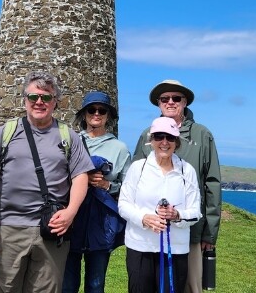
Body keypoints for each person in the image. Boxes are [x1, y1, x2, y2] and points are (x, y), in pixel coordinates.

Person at [0, 70, 94, 293]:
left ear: (55, 102)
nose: (39, 102)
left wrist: (70, 212)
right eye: (33, 97)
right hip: (7, 228)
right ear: (25, 101)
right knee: (2, 288)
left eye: (46, 97)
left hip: (51, 228)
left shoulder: (68, 136)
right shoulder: (6, 132)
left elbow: (80, 176)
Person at [132, 79, 221, 293]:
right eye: (164, 98)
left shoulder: (202, 135)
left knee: (189, 286)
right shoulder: (146, 135)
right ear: (158, 103)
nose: (170, 102)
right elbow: (133, 180)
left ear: (185, 102)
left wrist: (209, 234)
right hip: (150, 231)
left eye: (176, 98)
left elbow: (212, 183)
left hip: (190, 231)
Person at [120, 117, 201, 293]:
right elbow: (123, 204)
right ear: (151, 140)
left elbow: (195, 212)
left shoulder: (187, 171)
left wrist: (177, 215)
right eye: (159, 137)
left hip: (175, 249)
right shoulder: (138, 168)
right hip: (140, 246)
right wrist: (144, 219)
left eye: (170, 137)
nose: (164, 142)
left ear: (176, 142)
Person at [62, 91, 132, 293]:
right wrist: (81, 180)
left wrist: (107, 186)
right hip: (73, 218)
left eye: (102, 110)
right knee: (67, 283)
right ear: (84, 114)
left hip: (101, 222)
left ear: (108, 116)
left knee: (96, 284)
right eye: (92, 110)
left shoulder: (119, 148)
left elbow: (127, 185)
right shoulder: (71, 142)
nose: (97, 114)